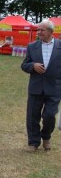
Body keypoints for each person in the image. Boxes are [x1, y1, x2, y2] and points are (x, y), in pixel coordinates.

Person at [21, 20, 61, 152]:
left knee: (50, 115)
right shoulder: (32, 46)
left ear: (51, 32)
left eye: (42, 30)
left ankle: (46, 137)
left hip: (54, 88)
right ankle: (33, 143)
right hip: (36, 87)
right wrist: (33, 66)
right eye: (38, 30)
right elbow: (24, 65)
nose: (39, 32)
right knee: (32, 116)